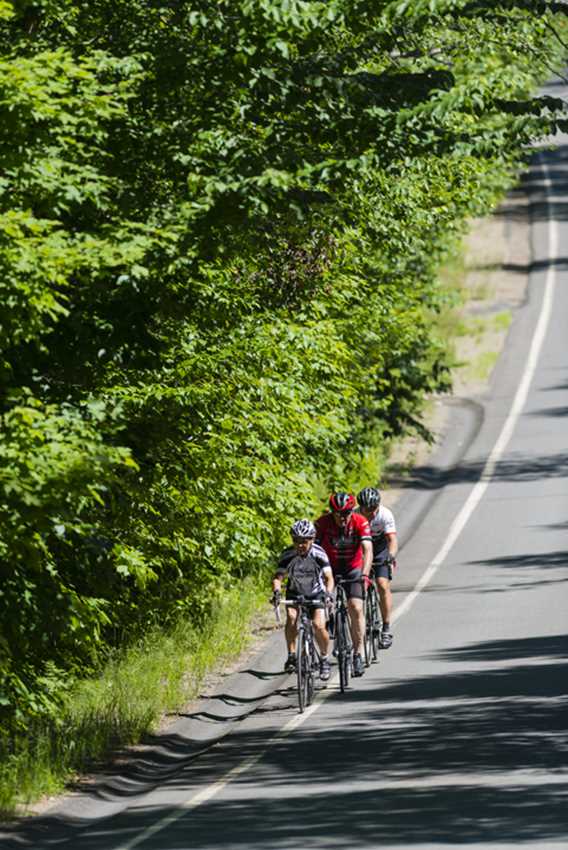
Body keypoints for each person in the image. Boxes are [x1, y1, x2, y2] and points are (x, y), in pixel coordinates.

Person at [315, 492, 373, 677]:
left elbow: (368, 550)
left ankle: (357, 654)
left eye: (347, 512)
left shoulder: (359, 521)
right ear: (331, 512)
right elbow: (313, 550)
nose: (343, 517)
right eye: (338, 513)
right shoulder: (322, 523)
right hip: (329, 570)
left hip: (353, 569)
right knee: (322, 610)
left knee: (355, 608)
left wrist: (364, 575)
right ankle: (331, 629)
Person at [272, 519, 335, 681]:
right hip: (295, 592)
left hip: (316, 593)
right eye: (296, 541)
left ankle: (323, 658)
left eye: (304, 541)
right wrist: (277, 592)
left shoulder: (319, 554)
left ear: (312, 539)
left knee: (318, 625)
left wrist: (328, 594)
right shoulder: (287, 554)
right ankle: (292, 655)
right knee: (292, 618)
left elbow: (329, 577)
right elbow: (278, 577)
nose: (300, 545)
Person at [357, 486, 398, 648]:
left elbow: (392, 540)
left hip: (380, 549)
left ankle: (386, 628)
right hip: (360, 549)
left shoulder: (385, 514)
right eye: (368, 509)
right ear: (361, 507)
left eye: (375, 508)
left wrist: (391, 557)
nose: (372, 512)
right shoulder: (354, 515)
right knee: (358, 586)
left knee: (382, 584)